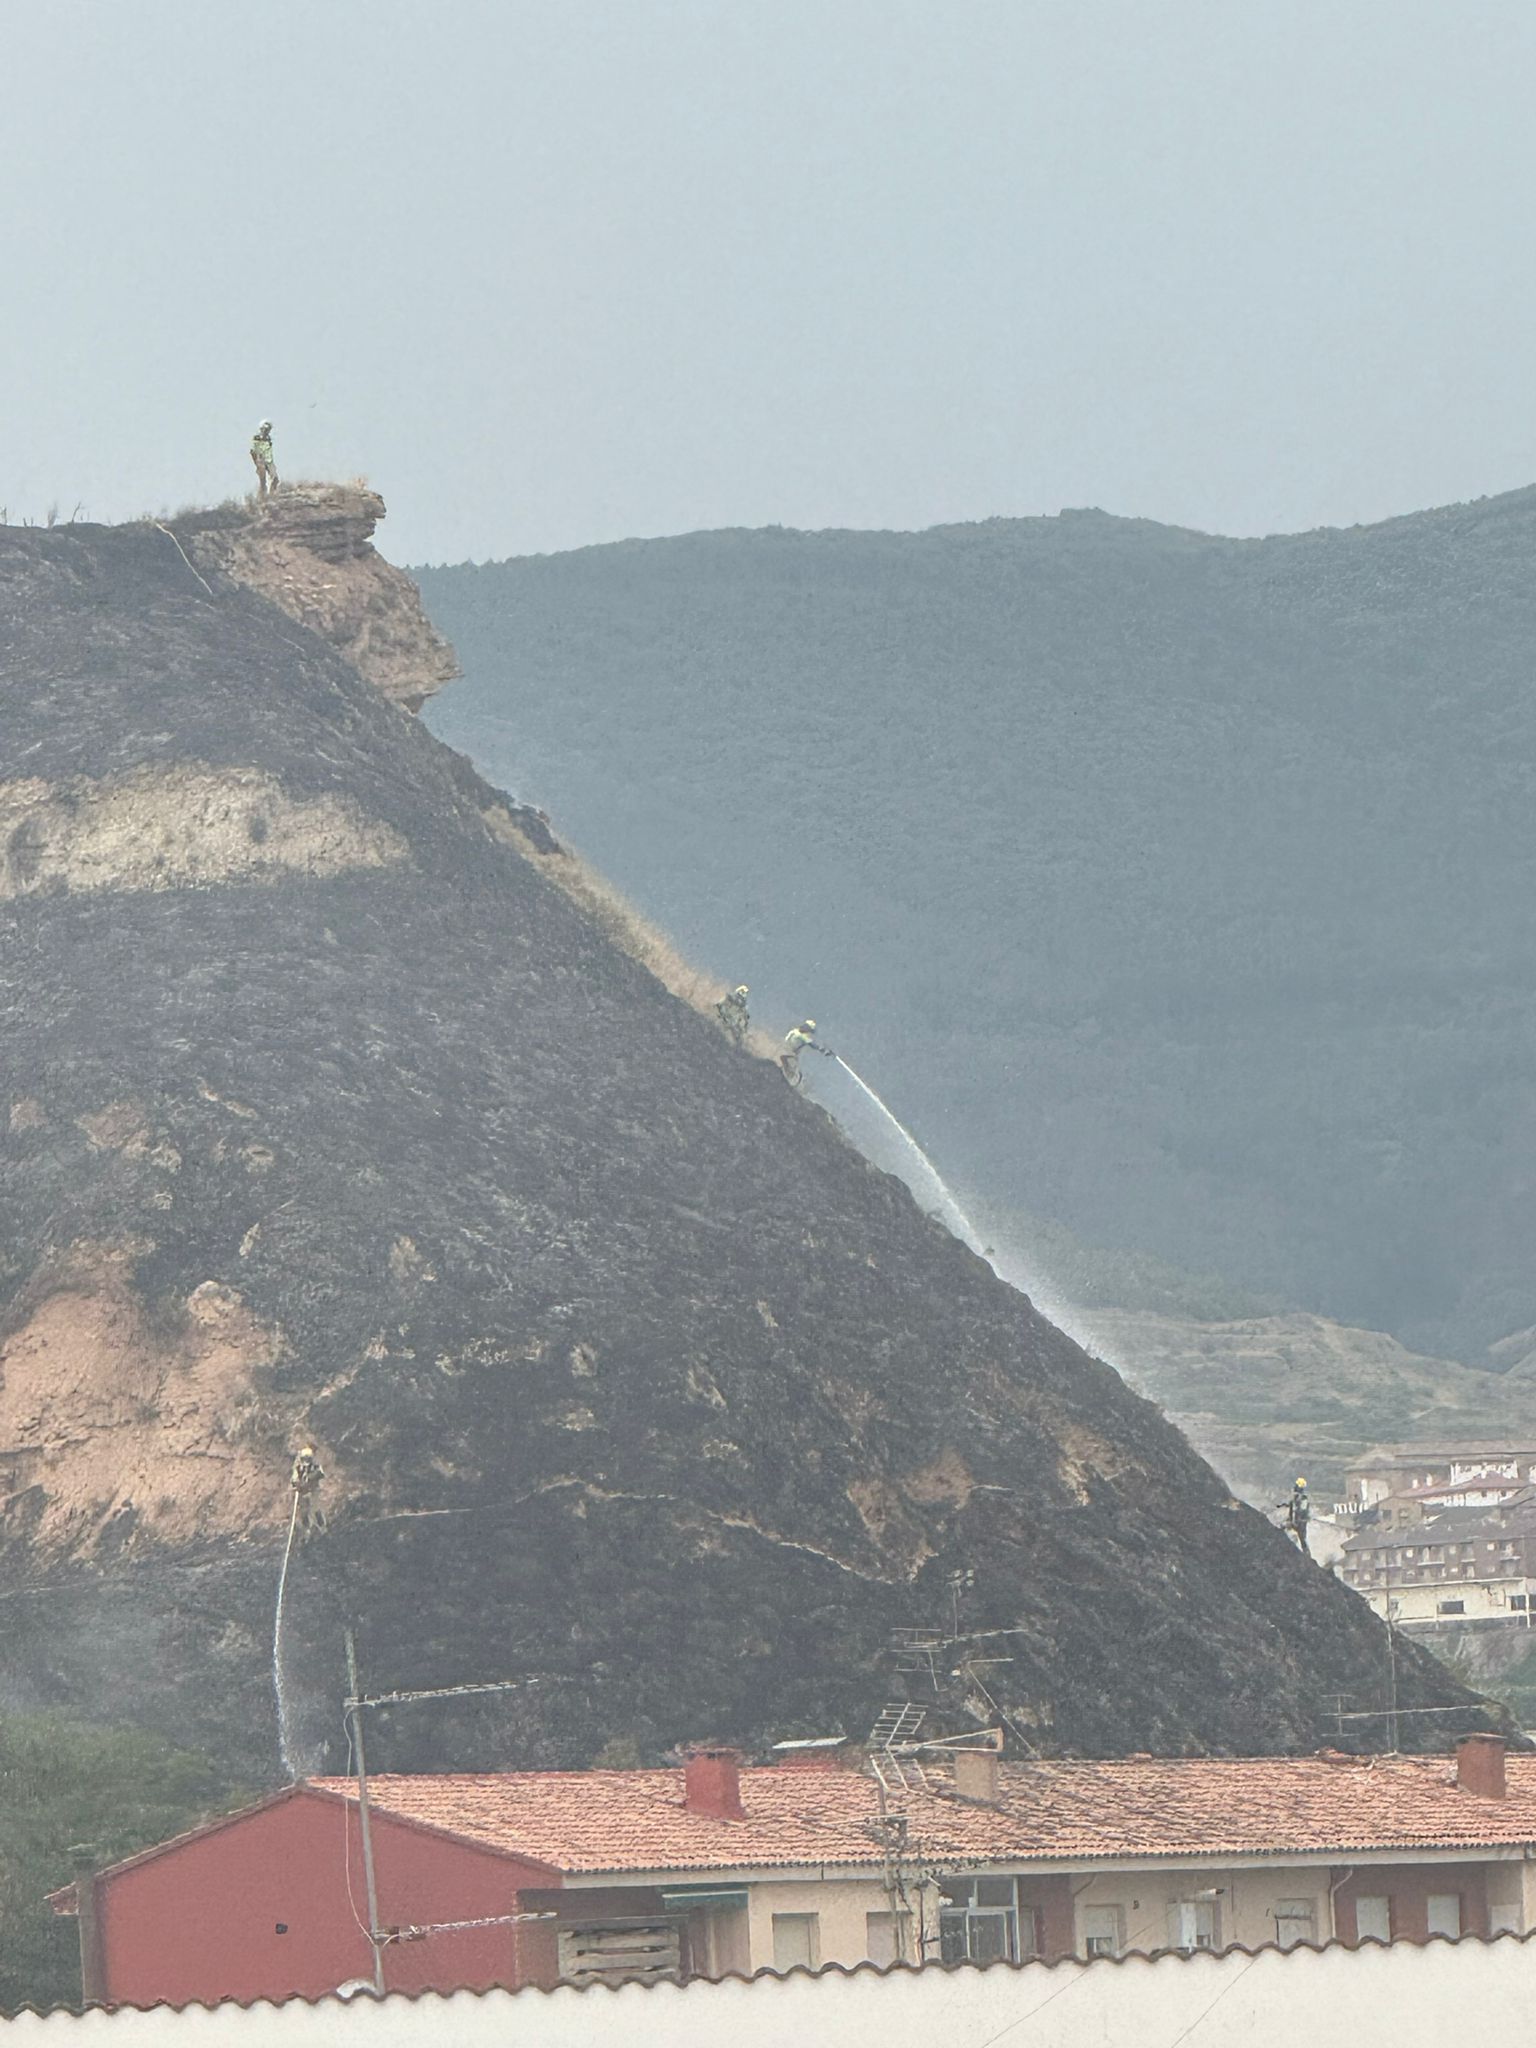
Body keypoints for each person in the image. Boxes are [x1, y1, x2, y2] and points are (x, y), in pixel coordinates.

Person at [781, 1019, 834, 1087]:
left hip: (787, 1049)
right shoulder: (802, 1036)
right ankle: (787, 1073)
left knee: (790, 1061)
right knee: (790, 1061)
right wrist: (823, 1050)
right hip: (790, 1051)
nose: (808, 1032)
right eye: (809, 1030)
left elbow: (812, 1044)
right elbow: (813, 1045)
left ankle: (787, 1072)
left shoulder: (795, 1031)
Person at [291, 1445, 326, 1538]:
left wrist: (310, 1478)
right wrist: (296, 1483)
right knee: (304, 1511)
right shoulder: (298, 1467)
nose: (306, 1461)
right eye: (304, 1459)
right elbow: (294, 1477)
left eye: (308, 1459)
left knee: (315, 1509)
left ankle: (322, 1527)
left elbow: (321, 1473)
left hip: (314, 1490)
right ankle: (306, 1529)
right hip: (303, 1491)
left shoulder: (316, 1466)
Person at [250, 420, 278, 499]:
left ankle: (272, 495)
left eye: (268, 429)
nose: (266, 431)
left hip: (269, 461)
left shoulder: (268, 439)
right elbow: (253, 451)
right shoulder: (257, 438)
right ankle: (262, 498)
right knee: (263, 481)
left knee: (275, 478)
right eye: (265, 429)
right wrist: (257, 462)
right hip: (260, 461)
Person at [1283, 1476, 1310, 1554]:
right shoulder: (1294, 1499)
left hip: (1300, 1522)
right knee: (1295, 1537)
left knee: (1302, 1538)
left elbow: (1302, 1510)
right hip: (1296, 1521)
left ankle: (1305, 1553)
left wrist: (1298, 1519)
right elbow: (1292, 1510)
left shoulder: (1303, 1498)